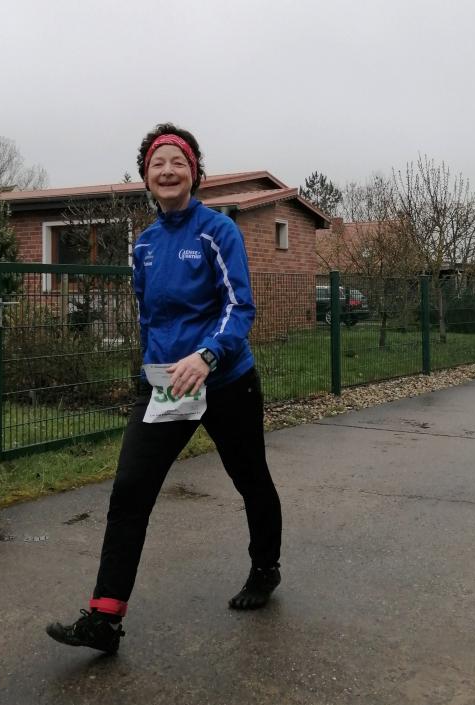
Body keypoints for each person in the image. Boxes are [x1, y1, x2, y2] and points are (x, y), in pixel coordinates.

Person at [46, 123, 282, 654]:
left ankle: (265, 568)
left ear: (195, 172)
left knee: (251, 480)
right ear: (146, 177)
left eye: (178, 162)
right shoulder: (145, 244)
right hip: (166, 386)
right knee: (130, 489)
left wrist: (207, 355)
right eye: (158, 164)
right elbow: (147, 316)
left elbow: (239, 307)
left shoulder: (218, 231)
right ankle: (105, 618)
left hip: (226, 381)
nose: (168, 171)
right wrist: (150, 372)